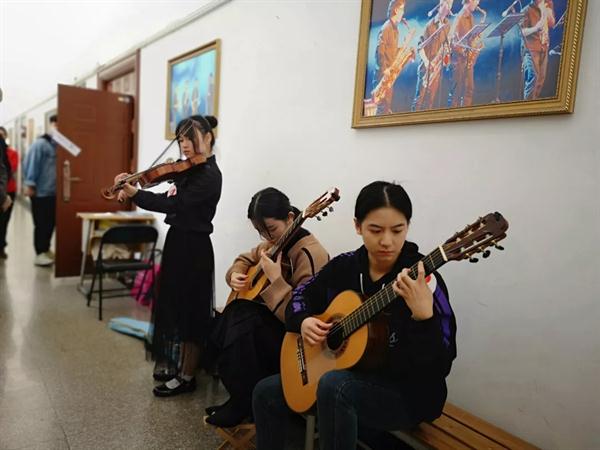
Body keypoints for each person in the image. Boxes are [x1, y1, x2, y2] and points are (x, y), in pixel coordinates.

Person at [253, 181, 457, 450]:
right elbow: (302, 294)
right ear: (358, 226)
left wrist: (424, 319)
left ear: (408, 226)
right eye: (375, 230)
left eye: (398, 230)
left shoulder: (423, 280)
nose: (387, 241)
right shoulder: (346, 265)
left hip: (407, 393)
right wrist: (303, 321)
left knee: (335, 388)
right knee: (264, 392)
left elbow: (441, 363)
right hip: (349, 372)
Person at [114, 115, 222, 397]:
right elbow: (160, 182)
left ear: (208, 137)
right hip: (178, 242)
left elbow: (172, 203)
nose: (184, 145)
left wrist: (135, 194)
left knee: (191, 312)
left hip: (194, 248)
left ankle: (187, 376)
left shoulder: (209, 175)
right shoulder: (189, 169)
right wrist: (130, 182)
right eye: (181, 139)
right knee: (174, 306)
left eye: (190, 138)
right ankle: (176, 364)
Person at [205, 187, 329, 428]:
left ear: (290, 218)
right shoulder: (275, 244)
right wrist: (236, 274)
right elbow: (245, 259)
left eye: (271, 229)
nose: (266, 238)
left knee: (242, 317)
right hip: (274, 330)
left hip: (298, 343)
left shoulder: (310, 253)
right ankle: (242, 399)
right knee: (232, 313)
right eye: (260, 232)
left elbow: (308, 316)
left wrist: (277, 280)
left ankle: (243, 402)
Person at [22, 115, 57, 266]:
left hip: (53, 192)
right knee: (41, 224)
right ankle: (39, 253)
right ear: (53, 125)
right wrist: (30, 184)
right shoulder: (41, 144)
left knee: (50, 223)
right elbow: (31, 164)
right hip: (40, 192)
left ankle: (46, 249)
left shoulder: (58, 145)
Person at [372, 0, 411, 115]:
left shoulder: (395, 29)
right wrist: (384, 69)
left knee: (386, 107)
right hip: (382, 76)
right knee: (382, 108)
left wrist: (404, 50)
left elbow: (391, 51)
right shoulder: (386, 28)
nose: (403, 13)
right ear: (396, 10)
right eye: (402, 10)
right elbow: (379, 50)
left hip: (389, 75)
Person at [412, 0, 453, 111]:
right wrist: (426, 62)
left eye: (451, 4)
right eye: (448, 3)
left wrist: (446, 58)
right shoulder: (429, 25)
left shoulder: (447, 25)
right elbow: (420, 47)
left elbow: (446, 46)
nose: (450, 6)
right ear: (440, 5)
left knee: (429, 102)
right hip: (426, 68)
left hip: (436, 69)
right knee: (418, 101)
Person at [447, 0, 484, 107]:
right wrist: (463, 51)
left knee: (469, 89)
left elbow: (469, 37)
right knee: (456, 94)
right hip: (458, 61)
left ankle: (466, 113)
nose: (478, 4)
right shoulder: (458, 18)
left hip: (467, 60)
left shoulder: (471, 17)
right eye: (476, 1)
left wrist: (476, 38)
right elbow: (451, 41)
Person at [521, 0, 555, 100]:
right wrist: (536, 28)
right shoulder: (526, 10)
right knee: (533, 78)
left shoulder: (548, 4)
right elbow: (521, 32)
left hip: (544, 47)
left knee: (540, 80)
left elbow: (552, 23)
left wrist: (547, 13)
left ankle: (533, 103)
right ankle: (527, 106)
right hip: (531, 49)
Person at [0, 128, 19, 258]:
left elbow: (10, 170)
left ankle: (1, 246)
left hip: (8, 191)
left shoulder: (12, 153)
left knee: (4, 221)